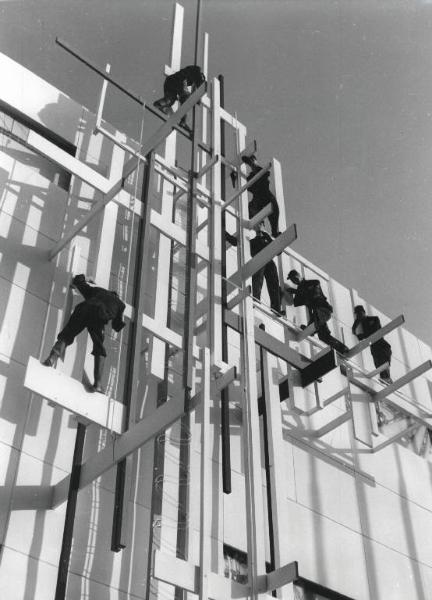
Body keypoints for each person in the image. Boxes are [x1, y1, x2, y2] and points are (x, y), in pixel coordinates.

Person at [42, 274, 126, 393]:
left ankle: (51, 358)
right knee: (99, 348)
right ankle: (98, 383)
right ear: (117, 296)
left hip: (84, 308)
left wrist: (88, 278)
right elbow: (117, 326)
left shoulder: (97, 290)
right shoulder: (121, 305)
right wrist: (119, 319)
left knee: (68, 334)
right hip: (99, 316)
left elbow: (78, 281)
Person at [285, 269, 348, 354]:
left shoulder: (312, 283)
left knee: (315, 322)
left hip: (323, 309)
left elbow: (313, 293)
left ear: (299, 276)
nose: (295, 281)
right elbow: (296, 302)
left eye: (295, 278)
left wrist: (296, 291)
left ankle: (310, 329)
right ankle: (342, 350)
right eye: (293, 280)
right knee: (323, 336)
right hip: (316, 313)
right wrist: (284, 293)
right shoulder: (301, 289)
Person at [225, 223, 282, 315]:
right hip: (258, 260)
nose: (258, 226)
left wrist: (265, 233)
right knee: (257, 281)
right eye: (257, 225)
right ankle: (256, 300)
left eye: (260, 224)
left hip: (269, 261)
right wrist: (225, 234)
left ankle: (276, 309)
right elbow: (236, 242)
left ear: (263, 226)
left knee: (274, 284)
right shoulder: (252, 241)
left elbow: (278, 251)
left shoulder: (267, 239)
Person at [231, 154, 280, 238]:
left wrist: (253, 165)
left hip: (265, 195)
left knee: (273, 210)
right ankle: (262, 231)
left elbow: (263, 174)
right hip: (259, 198)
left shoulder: (261, 173)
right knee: (252, 211)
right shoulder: (251, 178)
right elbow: (245, 185)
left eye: (253, 161)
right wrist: (235, 178)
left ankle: (273, 232)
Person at [153, 65, 206, 132]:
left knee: (170, 100)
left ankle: (159, 104)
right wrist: (197, 98)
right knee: (186, 99)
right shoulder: (197, 72)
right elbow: (195, 87)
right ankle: (183, 122)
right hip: (180, 80)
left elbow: (194, 90)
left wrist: (197, 98)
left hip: (170, 81)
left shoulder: (193, 78)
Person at [351, 305, 393, 384]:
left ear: (364, 312)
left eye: (360, 314)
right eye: (357, 315)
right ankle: (385, 379)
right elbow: (355, 331)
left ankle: (387, 378)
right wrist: (357, 322)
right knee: (378, 363)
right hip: (374, 347)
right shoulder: (362, 323)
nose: (359, 316)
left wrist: (361, 334)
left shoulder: (374, 319)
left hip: (381, 344)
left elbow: (374, 332)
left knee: (384, 361)